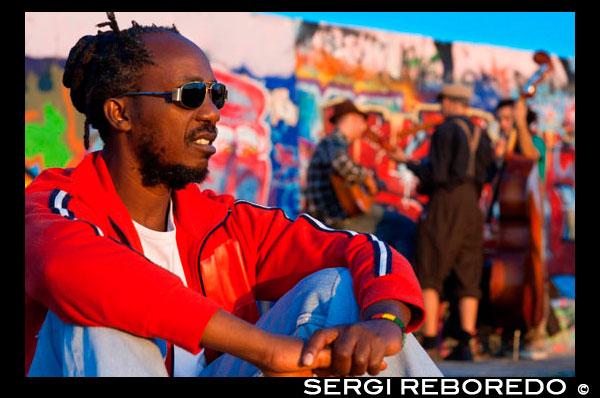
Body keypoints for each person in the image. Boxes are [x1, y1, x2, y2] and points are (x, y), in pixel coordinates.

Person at [25, 13, 442, 377]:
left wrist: (387, 322)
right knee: (91, 308)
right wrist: (268, 349)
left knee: (341, 288)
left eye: (215, 94)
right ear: (120, 113)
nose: (211, 112)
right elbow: (70, 272)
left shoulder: (226, 225)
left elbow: (363, 250)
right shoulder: (53, 206)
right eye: (189, 96)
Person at [402, 84, 494, 361]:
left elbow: (438, 174)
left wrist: (409, 164)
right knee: (469, 272)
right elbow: (488, 172)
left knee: (430, 267)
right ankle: (466, 342)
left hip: (446, 206)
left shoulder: (445, 130)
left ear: (453, 103)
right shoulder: (482, 134)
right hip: (472, 208)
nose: (441, 107)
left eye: (443, 102)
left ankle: (430, 341)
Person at [305, 99, 417, 262]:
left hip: (338, 218)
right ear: (352, 119)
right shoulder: (333, 142)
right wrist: (366, 177)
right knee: (405, 226)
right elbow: (341, 164)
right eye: (362, 123)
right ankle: (400, 280)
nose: (363, 128)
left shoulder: (332, 144)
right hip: (338, 221)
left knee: (388, 221)